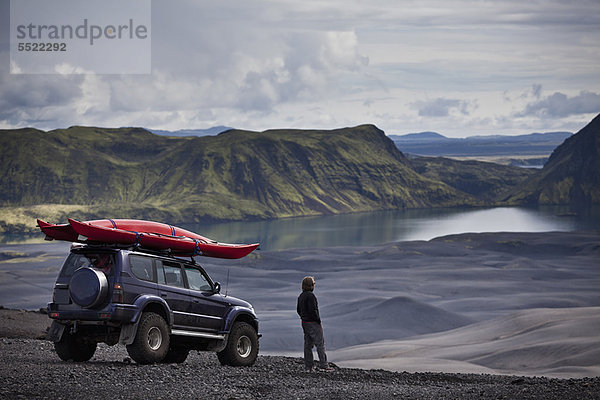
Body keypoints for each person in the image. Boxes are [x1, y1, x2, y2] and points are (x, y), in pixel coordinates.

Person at [296, 276, 332, 371]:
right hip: (313, 322)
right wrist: (318, 320)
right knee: (320, 343)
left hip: (304, 322)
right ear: (311, 285)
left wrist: (303, 317)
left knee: (308, 344)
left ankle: (309, 366)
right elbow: (313, 310)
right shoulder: (311, 296)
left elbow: (298, 310)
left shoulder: (301, 296)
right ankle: (324, 365)